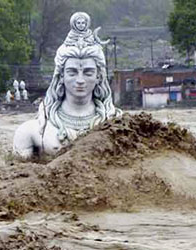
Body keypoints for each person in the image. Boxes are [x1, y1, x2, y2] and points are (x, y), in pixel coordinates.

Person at [13, 12, 121, 159]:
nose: (80, 80)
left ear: (98, 77)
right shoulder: (33, 131)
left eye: (88, 73)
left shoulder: (116, 124)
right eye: (72, 72)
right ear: (61, 76)